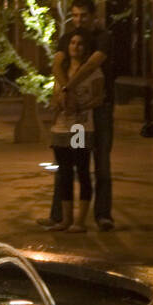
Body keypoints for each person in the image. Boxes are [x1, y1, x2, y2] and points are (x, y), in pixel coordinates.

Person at [36, 0, 116, 230]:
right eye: (76, 15)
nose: (79, 20)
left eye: (84, 15)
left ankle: (102, 215)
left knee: (100, 163)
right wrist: (63, 91)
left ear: (94, 15)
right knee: (66, 164)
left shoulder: (104, 38)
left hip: (97, 110)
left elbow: (92, 65)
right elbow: (56, 65)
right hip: (69, 114)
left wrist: (67, 87)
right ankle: (59, 215)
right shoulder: (67, 37)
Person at [46, 30, 106, 232]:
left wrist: (81, 106)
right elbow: (55, 94)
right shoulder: (61, 71)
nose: (75, 46)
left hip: (80, 126)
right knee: (64, 172)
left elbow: (99, 97)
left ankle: (80, 221)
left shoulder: (93, 72)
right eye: (72, 43)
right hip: (60, 126)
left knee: (81, 169)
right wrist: (57, 103)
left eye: (80, 44)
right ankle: (65, 218)